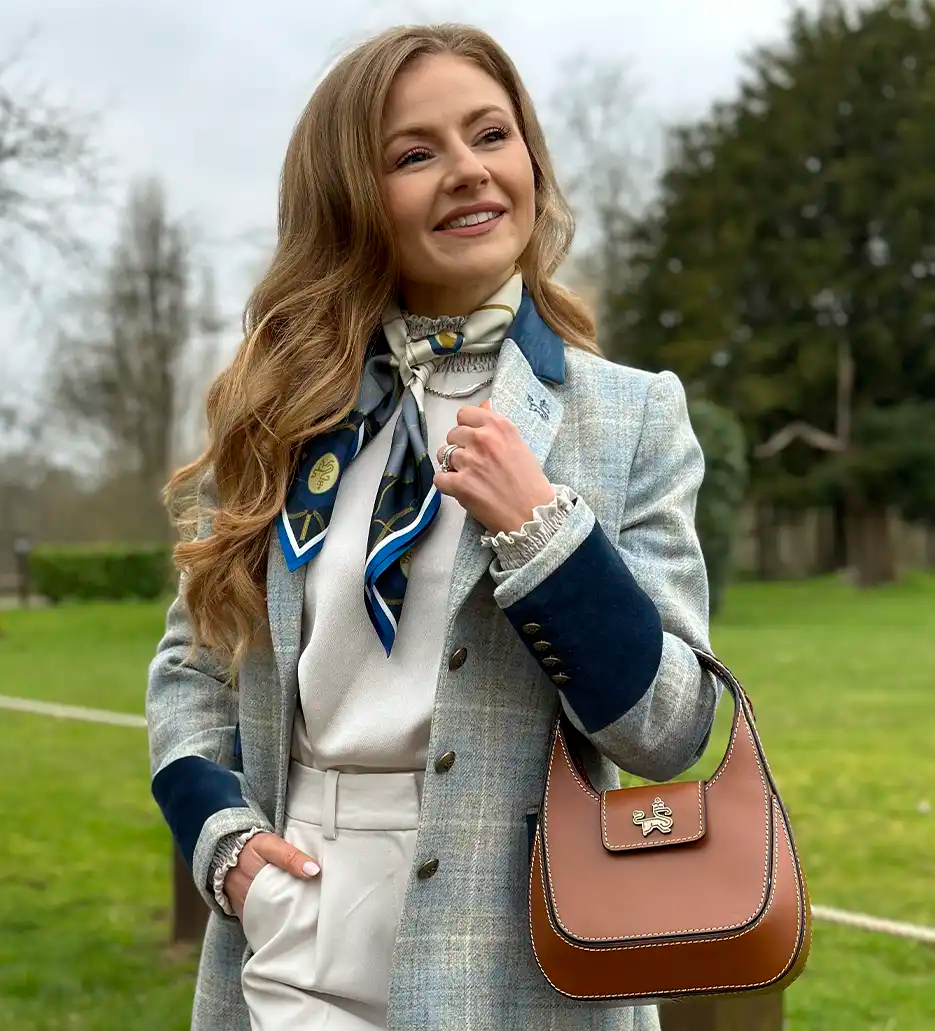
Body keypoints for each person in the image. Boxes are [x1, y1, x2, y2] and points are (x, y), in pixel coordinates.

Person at [147, 22, 718, 1031]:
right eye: (414, 154)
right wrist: (223, 845)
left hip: (532, 952)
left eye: (489, 135)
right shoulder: (276, 414)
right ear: (351, 200)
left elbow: (670, 730)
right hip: (296, 921)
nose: (467, 171)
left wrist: (545, 534)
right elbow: (193, 668)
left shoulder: (630, 415)